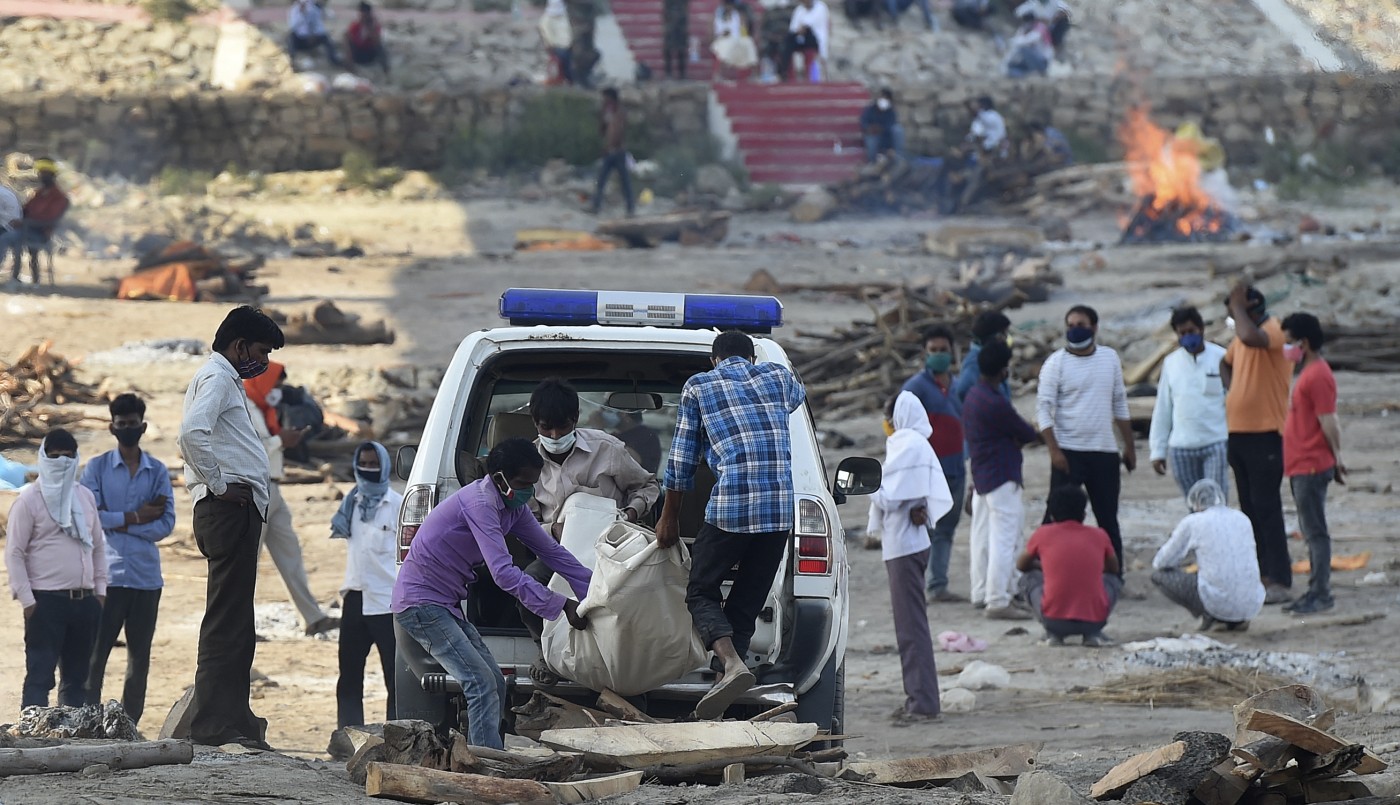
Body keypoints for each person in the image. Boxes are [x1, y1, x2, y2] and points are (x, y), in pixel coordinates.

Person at [392, 438, 591, 750]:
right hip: (422, 603)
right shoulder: (481, 503)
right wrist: (560, 604)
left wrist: (595, 590)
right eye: (524, 483)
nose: (530, 491)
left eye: (533, 484)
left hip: (445, 605)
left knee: (495, 682)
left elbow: (552, 552)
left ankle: (486, 753)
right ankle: (486, 764)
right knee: (480, 683)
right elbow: (502, 573)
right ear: (499, 477)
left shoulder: (513, 507)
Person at [656, 331, 806, 719]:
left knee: (701, 591)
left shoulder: (699, 386)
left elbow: (681, 462)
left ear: (714, 359)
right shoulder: (777, 376)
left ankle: (730, 661)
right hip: (777, 513)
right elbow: (796, 395)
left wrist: (668, 518)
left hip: (732, 509)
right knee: (745, 603)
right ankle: (726, 678)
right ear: (752, 357)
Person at [178, 306, 285, 749]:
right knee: (226, 621)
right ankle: (211, 725)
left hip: (238, 509)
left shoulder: (225, 378)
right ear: (239, 346)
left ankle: (235, 719)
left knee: (237, 621)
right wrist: (219, 485)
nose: (262, 362)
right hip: (228, 509)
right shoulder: (219, 377)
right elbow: (190, 435)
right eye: (260, 351)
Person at [517, 378, 659, 683]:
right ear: (534, 423)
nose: (555, 436)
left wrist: (631, 513)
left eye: (562, 428)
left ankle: (625, 666)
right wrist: (551, 529)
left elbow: (647, 485)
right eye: (546, 428)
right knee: (527, 586)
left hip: (611, 552)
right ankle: (547, 653)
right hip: (557, 552)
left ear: (575, 420)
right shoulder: (527, 463)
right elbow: (521, 518)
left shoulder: (606, 449)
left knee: (632, 601)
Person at [81, 393, 175, 725]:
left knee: (140, 658)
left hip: (147, 579)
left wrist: (119, 521)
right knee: (96, 654)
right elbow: (89, 516)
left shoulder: (157, 471)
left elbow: (166, 523)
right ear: (112, 427)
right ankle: (88, 720)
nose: (127, 429)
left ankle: (129, 725)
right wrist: (138, 517)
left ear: (143, 426)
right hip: (107, 576)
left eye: (132, 424)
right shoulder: (96, 468)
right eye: (121, 425)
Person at [6, 430, 107, 708]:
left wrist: (99, 594)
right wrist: (28, 601)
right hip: (45, 603)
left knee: (77, 680)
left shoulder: (85, 497)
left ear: (76, 458)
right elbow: (14, 553)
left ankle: (69, 744)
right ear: (43, 457)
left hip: (84, 602)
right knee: (40, 678)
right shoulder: (29, 500)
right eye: (54, 456)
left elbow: (98, 545)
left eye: (68, 456)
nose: (62, 462)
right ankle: (31, 743)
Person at [867, 392, 952, 724]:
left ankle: (923, 702)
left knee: (911, 627)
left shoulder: (907, 443)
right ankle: (919, 697)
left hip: (904, 546)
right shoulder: (916, 443)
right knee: (912, 625)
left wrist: (866, 484)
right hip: (908, 543)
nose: (887, 425)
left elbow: (889, 498)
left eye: (888, 417)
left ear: (897, 417)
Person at [243, 362, 340, 636]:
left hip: (274, 488)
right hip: (257, 488)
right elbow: (250, 447)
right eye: (274, 385)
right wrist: (279, 441)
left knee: (290, 554)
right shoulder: (246, 408)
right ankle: (240, 625)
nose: (277, 391)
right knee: (247, 563)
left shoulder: (264, 409)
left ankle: (311, 617)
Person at [1035, 304, 1134, 567]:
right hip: (1068, 452)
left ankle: (1114, 575)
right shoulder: (1055, 364)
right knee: (1055, 515)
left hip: (1104, 453)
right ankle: (1043, 568)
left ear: (1094, 328)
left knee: (1107, 518)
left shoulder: (1109, 358)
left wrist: (1129, 447)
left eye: (1081, 325)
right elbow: (1043, 409)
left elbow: (1119, 403)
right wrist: (1054, 451)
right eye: (1070, 325)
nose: (1075, 330)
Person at [1220, 283, 1293, 604]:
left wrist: (1237, 306)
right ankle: (1261, 574)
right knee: (1249, 509)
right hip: (1238, 432)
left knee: (1266, 507)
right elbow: (1226, 362)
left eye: (1235, 311)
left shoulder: (1272, 329)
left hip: (1265, 433)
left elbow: (1252, 338)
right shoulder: (1241, 337)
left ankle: (1279, 577)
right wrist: (1235, 388)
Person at [963, 340, 1039, 618]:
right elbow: (1027, 432)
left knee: (982, 538)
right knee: (1004, 540)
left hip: (983, 475)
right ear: (1003, 370)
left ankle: (982, 592)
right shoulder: (995, 401)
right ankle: (998, 600)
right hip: (1001, 474)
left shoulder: (973, 395)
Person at [331, 441, 401, 728]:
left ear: (384, 466)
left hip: (387, 601)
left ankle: (398, 733)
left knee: (394, 677)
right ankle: (347, 736)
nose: (368, 469)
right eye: (365, 464)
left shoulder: (398, 504)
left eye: (374, 464)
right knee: (348, 675)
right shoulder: (351, 502)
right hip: (356, 596)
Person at [1281, 312, 1344, 615]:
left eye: (1290, 341)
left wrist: (1337, 458)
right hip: (1301, 464)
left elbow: (1329, 421)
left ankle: (1321, 593)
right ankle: (1316, 591)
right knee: (1311, 531)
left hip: (1311, 465)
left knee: (1315, 532)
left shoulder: (1317, 375)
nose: (1287, 348)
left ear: (1303, 342)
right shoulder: (1309, 373)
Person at [901, 326, 966, 604]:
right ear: (925, 354)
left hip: (956, 467)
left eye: (943, 350)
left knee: (947, 528)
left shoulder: (957, 385)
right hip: (928, 470)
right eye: (934, 351)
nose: (939, 355)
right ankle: (917, 586)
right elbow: (898, 422)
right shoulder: (916, 387)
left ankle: (938, 585)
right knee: (924, 528)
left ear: (952, 352)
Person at [1151, 479, 1264, 631]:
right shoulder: (1242, 518)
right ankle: (1237, 620)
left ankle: (1212, 615)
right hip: (1251, 602)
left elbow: (1161, 562)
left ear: (1196, 503)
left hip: (1217, 600)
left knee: (1159, 576)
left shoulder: (1193, 521)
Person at [1015, 485, 1120, 647]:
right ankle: (1092, 635)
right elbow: (1114, 569)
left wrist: (1045, 565)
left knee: (1028, 578)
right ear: (1084, 514)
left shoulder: (1043, 534)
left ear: (1052, 516)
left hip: (1054, 620)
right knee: (1113, 580)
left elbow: (1021, 565)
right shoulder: (1099, 535)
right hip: (1093, 621)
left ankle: (1053, 634)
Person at [1149, 306, 1229, 504]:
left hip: (1215, 442)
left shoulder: (1221, 357)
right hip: (1181, 447)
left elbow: (1233, 399)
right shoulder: (1171, 363)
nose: (1187, 337)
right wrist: (1157, 450)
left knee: (1215, 501)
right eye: (1182, 333)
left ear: (1201, 329)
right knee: (1194, 504)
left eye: (1191, 331)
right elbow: (1163, 408)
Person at [0, 158, 69, 285]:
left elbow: (49, 219)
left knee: (5, 239)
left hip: (40, 233)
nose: (41, 176)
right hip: (25, 229)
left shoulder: (59, 197)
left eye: (45, 173)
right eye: (41, 173)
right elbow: (26, 210)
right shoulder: (39, 193)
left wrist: (24, 223)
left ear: (52, 175)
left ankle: (14, 278)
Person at [591, 89, 634, 217]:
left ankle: (630, 208)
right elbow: (603, 130)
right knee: (601, 180)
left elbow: (618, 132)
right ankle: (595, 206)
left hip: (618, 151)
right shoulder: (607, 111)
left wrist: (611, 145)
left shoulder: (620, 112)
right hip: (609, 151)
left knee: (624, 181)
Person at [953, 310, 1012, 403]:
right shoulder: (975, 362)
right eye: (1003, 334)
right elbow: (962, 390)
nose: (1005, 338)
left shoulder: (993, 358)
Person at [782, 0, 830, 82]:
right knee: (788, 40)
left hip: (815, 39)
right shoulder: (799, 10)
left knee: (808, 32)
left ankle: (813, 76)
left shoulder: (821, 7)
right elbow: (793, 28)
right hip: (800, 38)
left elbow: (812, 22)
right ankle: (787, 73)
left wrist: (803, 28)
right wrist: (799, 31)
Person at [288, 0, 344, 67]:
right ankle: (292, 61)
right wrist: (302, 14)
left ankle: (334, 60)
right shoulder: (295, 10)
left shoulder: (315, 8)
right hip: (301, 39)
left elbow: (324, 21)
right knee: (291, 37)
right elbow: (293, 26)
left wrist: (313, 34)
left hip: (315, 37)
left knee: (326, 37)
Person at [712, 0, 758, 77]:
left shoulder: (738, 15)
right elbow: (715, 32)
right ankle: (718, 74)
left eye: (730, 6)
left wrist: (743, 25)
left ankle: (755, 73)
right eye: (727, 6)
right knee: (725, 47)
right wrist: (722, 34)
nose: (729, 8)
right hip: (722, 40)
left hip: (737, 39)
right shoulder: (718, 16)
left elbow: (743, 29)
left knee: (748, 43)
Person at [860, 89, 907, 164]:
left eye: (886, 98)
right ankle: (872, 162)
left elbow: (892, 124)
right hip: (873, 135)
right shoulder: (870, 109)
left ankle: (899, 158)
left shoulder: (891, 111)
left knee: (898, 130)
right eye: (882, 98)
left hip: (887, 136)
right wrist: (870, 128)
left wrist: (882, 128)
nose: (883, 100)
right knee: (871, 139)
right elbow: (863, 122)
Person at [345, 2, 389, 76]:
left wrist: (370, 28)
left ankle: (386, 71)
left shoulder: (375, 26)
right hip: (358, 53)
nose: (363, 15)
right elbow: (350, 39)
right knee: (346, 38)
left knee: (381, 47)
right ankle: (350, 69)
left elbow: (377, 41)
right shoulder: (355, 25)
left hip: (370, 53)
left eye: (365, 13)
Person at [1003, 13, 1052, 77]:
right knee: (1012, 67)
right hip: (1032, 60)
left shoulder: (1040, 27)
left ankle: (1035, 73)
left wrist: (1012, 41)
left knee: (1023, 48)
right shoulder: (1026, 28)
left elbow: (1028, 40)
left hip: (1042, 63)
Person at [538, 0, 574, 84]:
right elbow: (545, 33)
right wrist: (549, 45)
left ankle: (569, 80)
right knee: (563, 62)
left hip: (568, 45)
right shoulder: (546, 19)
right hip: (557, 46)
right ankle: (566, 80)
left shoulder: (565, 16)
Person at [663, 0, 690, 79]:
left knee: (681, 50)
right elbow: (665, 9)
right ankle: (668, 73)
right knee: (668, 49)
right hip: (670, 23)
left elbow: (686, 6)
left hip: (681, 24)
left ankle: (682, 73)